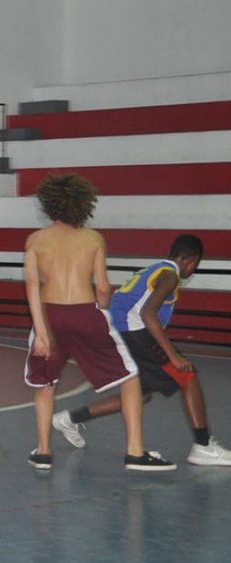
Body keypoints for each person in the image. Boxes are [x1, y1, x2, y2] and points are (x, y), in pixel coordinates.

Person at [23, 173, 174, 471]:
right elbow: (103, 288)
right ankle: (135, 452)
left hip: (49, 315)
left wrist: (42, 332)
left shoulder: (36, 240)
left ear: (49, 204)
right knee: (130, 378)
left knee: (45, 383)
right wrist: (102, 310)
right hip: (84, 313)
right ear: (83, 204)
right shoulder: (93, 238)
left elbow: (31, 286)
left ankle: (42, 452)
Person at [52, 235, 229, 465]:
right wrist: (173, 355)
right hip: (133, 331)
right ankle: (203, 446)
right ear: (192, 261)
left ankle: (71, 418)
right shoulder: (170, 275)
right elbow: (148, 313)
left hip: (114, 331)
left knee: (140, 394)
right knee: (188, 375)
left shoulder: (154, 268)